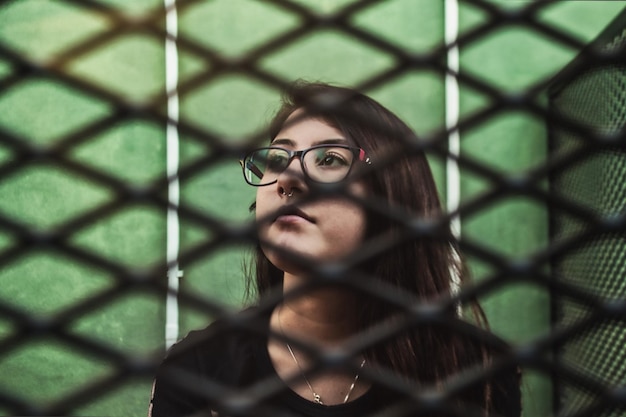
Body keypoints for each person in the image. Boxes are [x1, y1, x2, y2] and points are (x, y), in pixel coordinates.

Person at [149, 81, 522, 417]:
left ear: (392, 199)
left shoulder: (477, 372)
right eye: (278, 159)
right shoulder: (199, 370)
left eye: (329, 159)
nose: (288, 179)